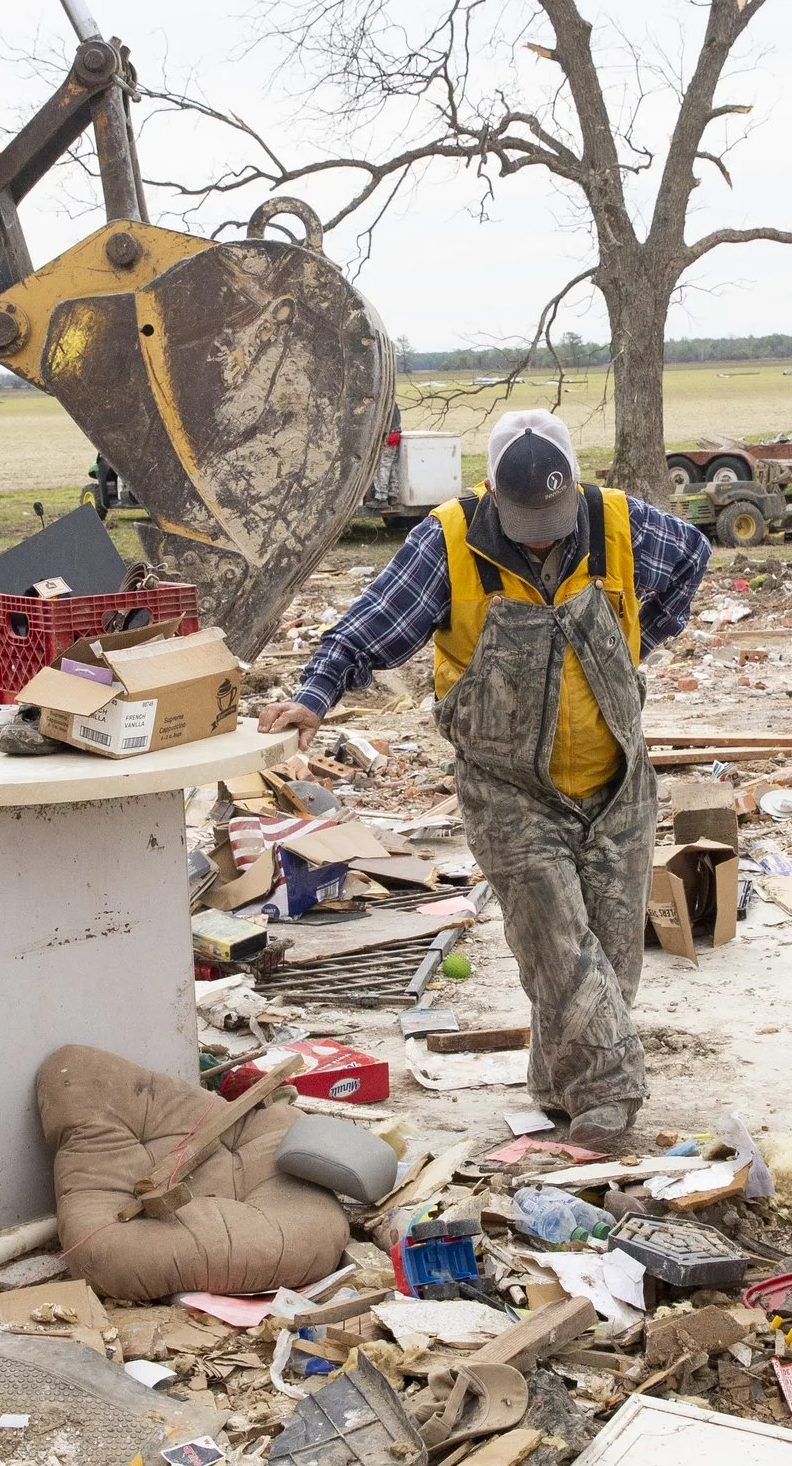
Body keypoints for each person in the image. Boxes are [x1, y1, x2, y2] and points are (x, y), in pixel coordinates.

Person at [258, 410, 711, 1149]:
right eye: (528, 519)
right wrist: (313, 695)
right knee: (558, 947)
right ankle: (609, 1099)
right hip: (509, 791)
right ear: (494, 494)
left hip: (616, 783)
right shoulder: (447, 541)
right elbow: (368, 627)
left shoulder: (621, 524)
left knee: (610, 954)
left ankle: (560, 1089)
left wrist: (635, 648)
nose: (543, 534)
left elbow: (692, 557)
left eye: (556, 518)